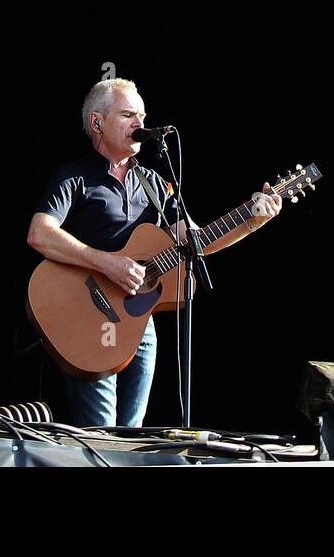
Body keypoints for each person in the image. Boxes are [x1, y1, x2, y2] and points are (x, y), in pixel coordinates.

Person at [27, 77, 281, 427]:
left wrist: (251, 221)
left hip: (137, 324)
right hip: (86, 316)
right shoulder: (73, 178)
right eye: (128, 114)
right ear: (97, 122)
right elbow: (40, 234)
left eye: (142, 116)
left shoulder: (155, 184)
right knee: (103, 434)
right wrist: (107, 262)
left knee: (131, 436)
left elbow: (196, 241)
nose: (140, 125)